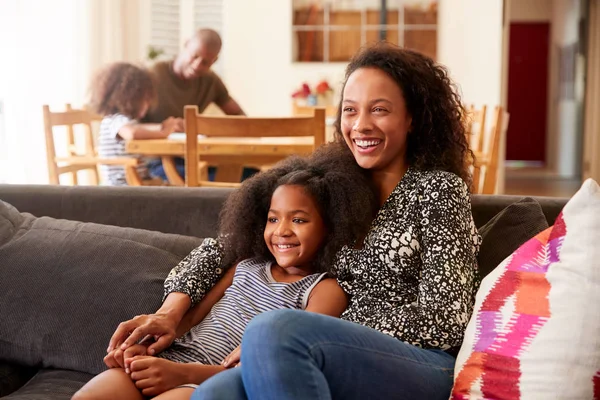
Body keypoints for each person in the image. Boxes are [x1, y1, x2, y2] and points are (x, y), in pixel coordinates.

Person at [108, 42, 481, 400]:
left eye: (379, 110)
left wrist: (313, 331)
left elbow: (446, 317)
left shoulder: (438, 190)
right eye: (350, 110)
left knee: (272, 329)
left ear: (412, 117)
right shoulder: (331, 182)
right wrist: (169, 314)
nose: (361, 125)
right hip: (310, 349)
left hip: (417, 364)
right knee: (217, 391)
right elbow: (225, 246)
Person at [73, 143, 377, 400]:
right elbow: (192, 318)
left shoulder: (324, 289)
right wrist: (144, 349)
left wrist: (181, 374)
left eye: (298, 220)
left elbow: (286, 360)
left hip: (211, 378)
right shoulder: (244, 265)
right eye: (273, 219)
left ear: (332, 228)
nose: (281, 231)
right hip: (171, 358)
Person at [143, 28, 246, 182]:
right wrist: (165, 128)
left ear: (214, 61)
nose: (198, 65)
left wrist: (209, 128)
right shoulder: (153, 76)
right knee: (227, 182)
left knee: (252, 177)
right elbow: (127, 124)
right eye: (194, 56)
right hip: (158, 161)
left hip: (194, 160)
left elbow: (240, 118)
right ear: (186, 45)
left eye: (205, 62)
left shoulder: (211, 82)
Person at [90, 62, 183, 186]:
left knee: (173, 186)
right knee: (175, 187)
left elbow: (137, 128)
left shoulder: (122, 120)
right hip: (124, 182)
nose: (149, 104)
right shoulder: (116, 120)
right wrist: (163, 133)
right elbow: (132, 133)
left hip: (138, 178)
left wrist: (161, 127)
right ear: (130, 98)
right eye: (145, 99)